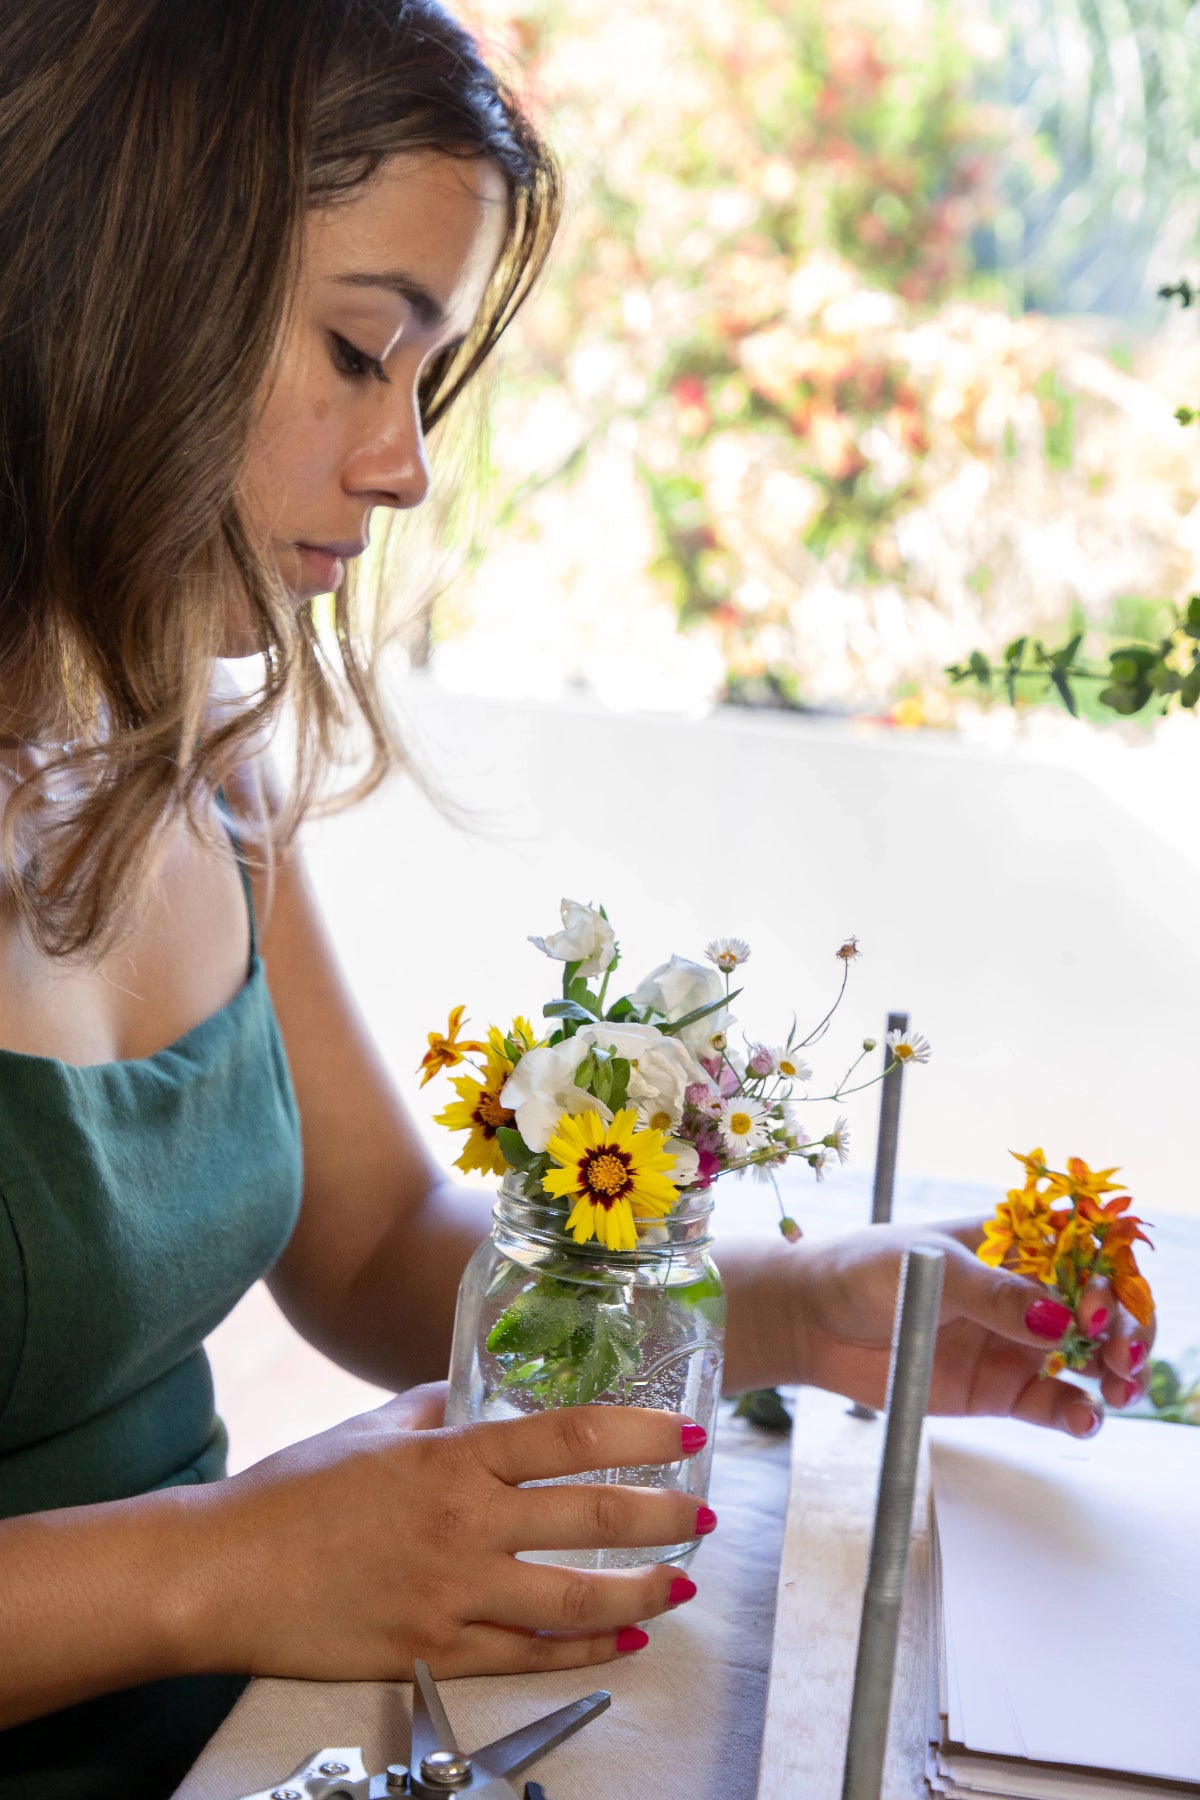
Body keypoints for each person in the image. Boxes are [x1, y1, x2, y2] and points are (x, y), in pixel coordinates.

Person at [0, 3, 1153, 1797]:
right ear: (114, 279)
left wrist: (793, 1304)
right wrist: (222, 1565)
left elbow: (377, 1251)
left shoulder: (190, 762)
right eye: (359, 349)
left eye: (423, 380)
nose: (404, 464)